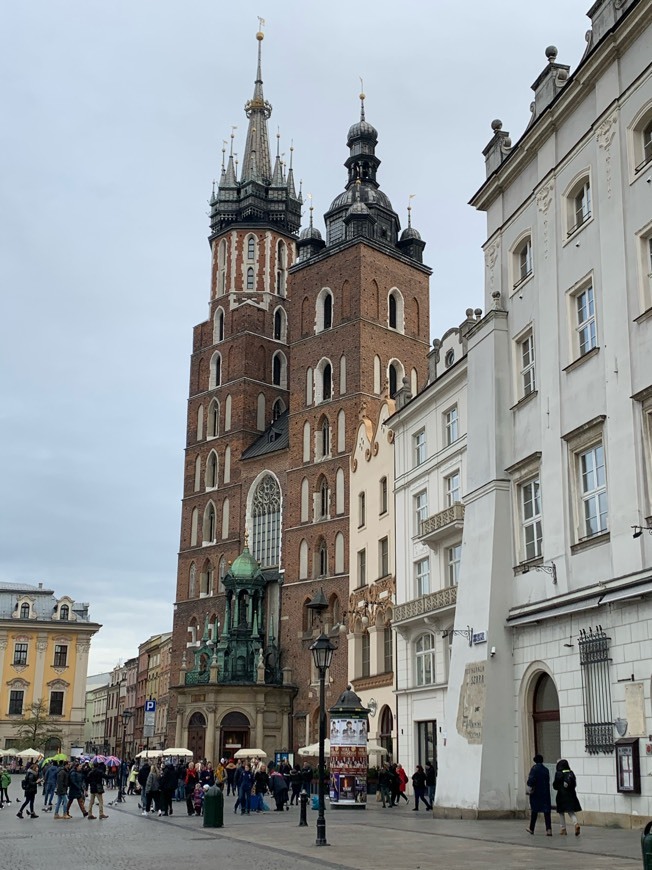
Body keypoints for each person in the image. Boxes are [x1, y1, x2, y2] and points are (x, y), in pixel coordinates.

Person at [553, 758, 582, 836]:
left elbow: (555, 786)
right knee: (571, 811)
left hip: (561, 796)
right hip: (571, 795)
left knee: (561, 812)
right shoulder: (571, 773)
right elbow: (574, 784)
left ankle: (563, 829)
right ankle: (576, 824)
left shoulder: (558, 773)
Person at [525, 753, 552, 836]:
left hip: (536, 793)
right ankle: (549, 829)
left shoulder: (534, 769)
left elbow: (531, 780)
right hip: (545, 793)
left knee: (534, 811)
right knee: (547, 812)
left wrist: (529, 788)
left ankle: (531, 828)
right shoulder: (546, 770)